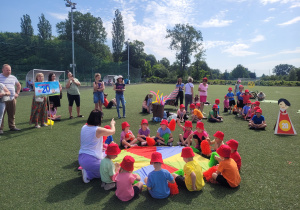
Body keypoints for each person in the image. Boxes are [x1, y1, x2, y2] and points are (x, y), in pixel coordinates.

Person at [79, 110, 115, 183]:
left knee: (105, 153)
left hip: (81, 157)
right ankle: (88, 174)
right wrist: (112, 124)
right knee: (108, 172)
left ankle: (87, 169)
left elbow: (89, 141)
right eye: (101, 118)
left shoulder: (84, 127)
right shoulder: (98, 130)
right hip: (90, 160)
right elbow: (112, 131)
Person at [0, 64, 22, 133]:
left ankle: (12, 126)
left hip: (12, 98)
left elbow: (18, 85)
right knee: (1, 114)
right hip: (2, 100)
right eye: (7, 70)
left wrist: (17, 93)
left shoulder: (13, 77)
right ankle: (0, 129)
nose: (9, 71)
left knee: (12, 114)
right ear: (2, 70)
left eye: (10, 70)